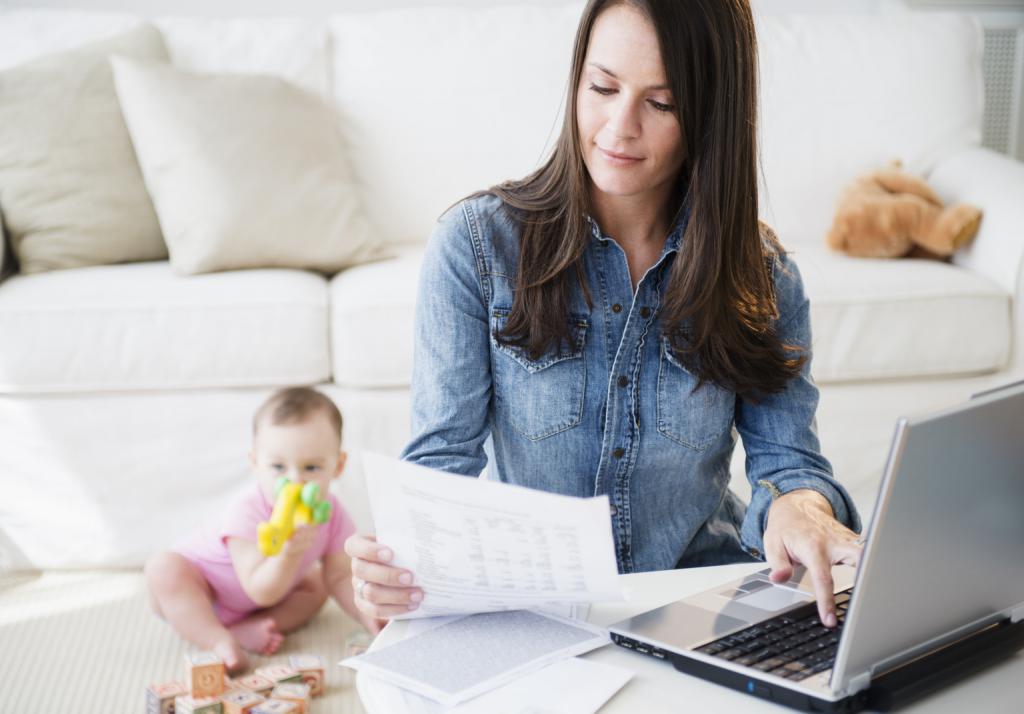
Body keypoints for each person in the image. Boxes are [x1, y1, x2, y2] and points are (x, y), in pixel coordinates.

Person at [346, 0, 863, 636]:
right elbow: (440, 463)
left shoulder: (763, 275)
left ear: (709, 115)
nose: (619, 127)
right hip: (536, 612)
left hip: (700, 597)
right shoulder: (476, 245)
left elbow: (790, 465)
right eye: (603, 87)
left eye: (662, 103)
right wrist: (401, 568)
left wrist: (799, 508)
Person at [146, 386, 372, 673]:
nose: (295, 482)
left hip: (261, 603)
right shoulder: (247, 510)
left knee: (318, 585)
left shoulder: (332, 513)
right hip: (202, 594)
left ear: (338, 466)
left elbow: (341, 575)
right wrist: (289, 554)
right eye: (278, 466)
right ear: (255, 463)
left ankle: (244, 629)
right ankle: (217, 640)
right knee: (163, 567)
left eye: (312, 468)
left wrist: (368, 617)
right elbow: (259, 590)